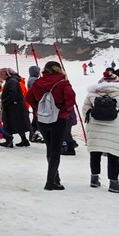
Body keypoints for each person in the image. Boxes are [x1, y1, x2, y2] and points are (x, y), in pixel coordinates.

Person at [26, 61, 77, 191]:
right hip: (58, 119)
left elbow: (28, 97)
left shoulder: (38, 82)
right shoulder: (63, 83)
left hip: (42, 119)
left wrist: (38, 108)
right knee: (56, 150)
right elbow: (71, 98)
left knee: (50, 147)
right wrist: (63, 111)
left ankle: (55, 178)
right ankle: (50, 181)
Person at [83, 70, 119, 193]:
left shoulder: (92, 94)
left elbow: (85, 109)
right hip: (114, 127)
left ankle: (94, 179)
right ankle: (113, 183)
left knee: (95, 153)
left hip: (95, 126)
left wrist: (90, 122)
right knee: (113, 155)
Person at [0, 69, 31, 146]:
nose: (0, 77)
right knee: (18, 124)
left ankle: (9, 141)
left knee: (9, 123)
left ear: (6, 75)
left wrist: (4, 101)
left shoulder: (11, 82)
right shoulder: (13, 81)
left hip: (13, 107)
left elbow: (12, 94)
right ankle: (24, 140)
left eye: (1, 75)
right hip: (16, 106)